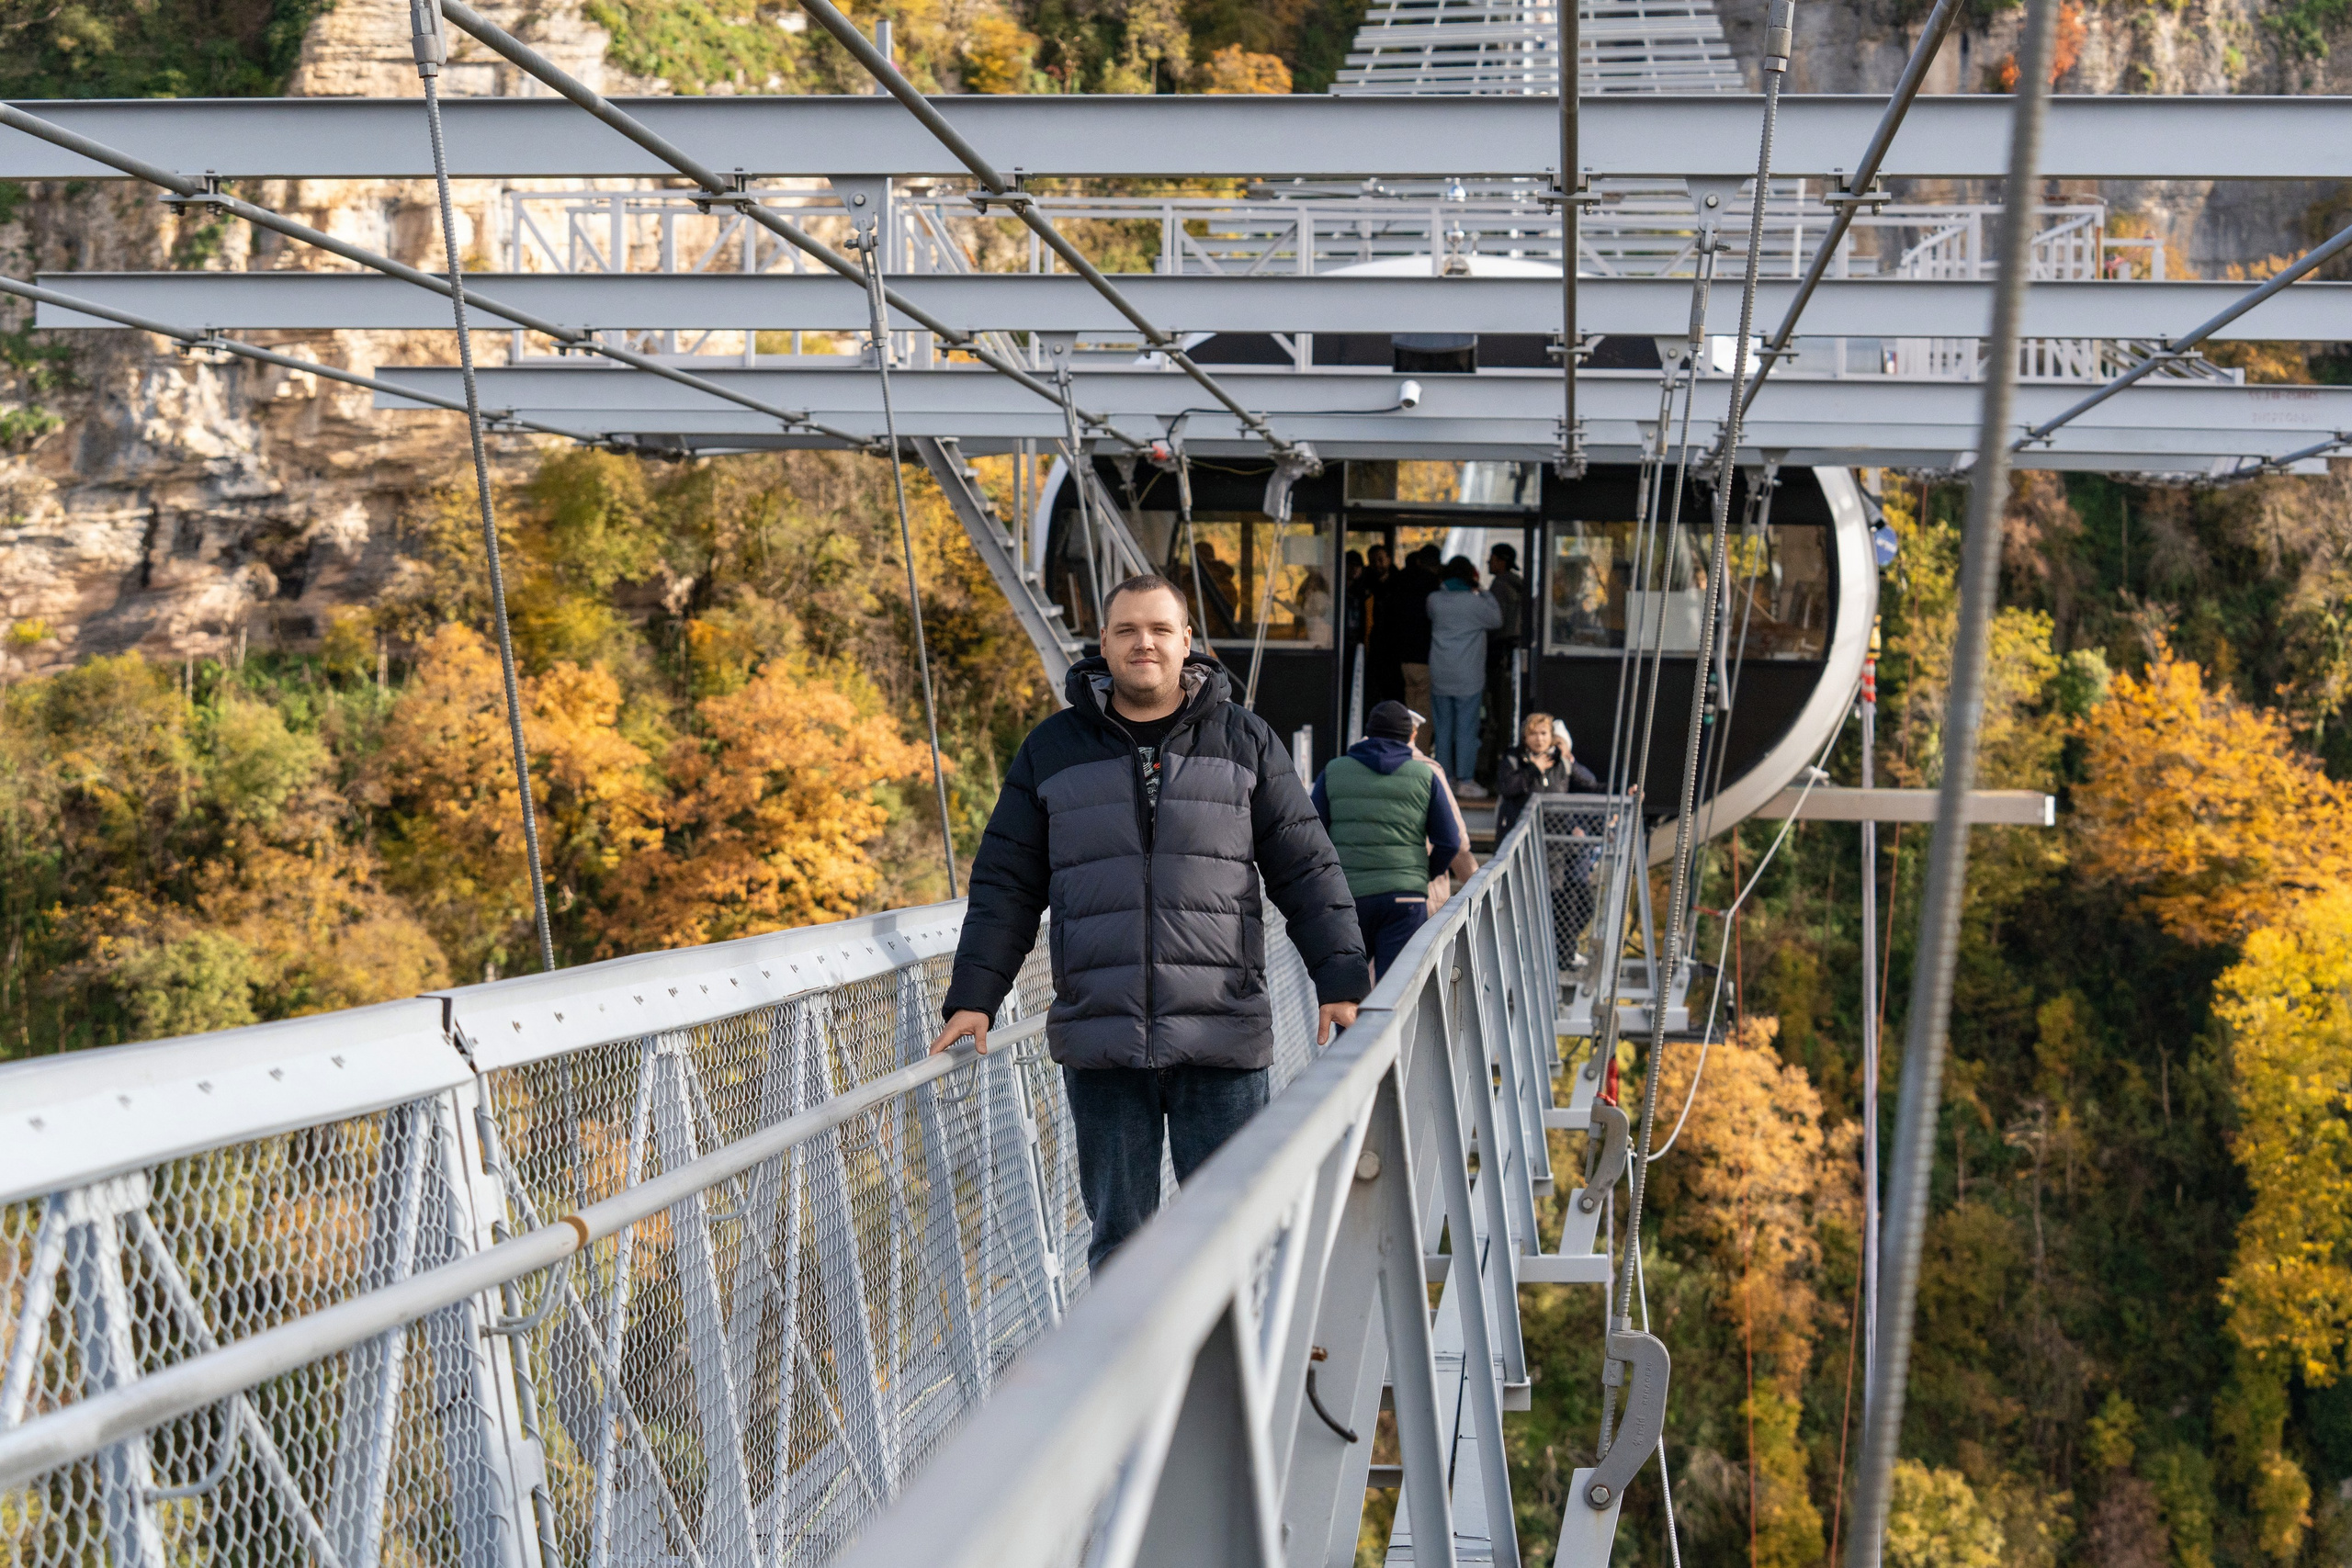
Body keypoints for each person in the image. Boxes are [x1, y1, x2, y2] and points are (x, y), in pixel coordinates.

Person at [931, 573, 1371, 1269]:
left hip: (1219, 1033)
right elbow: (1007, 885)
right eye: (1129, 629)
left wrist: (1341, 977)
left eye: (1161, 630)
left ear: (1187, 643)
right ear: (1102, 643)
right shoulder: (1052, 749)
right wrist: (973, 999)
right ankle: (1140, 1383)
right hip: (1103, 1037)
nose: (1145, 643)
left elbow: (1307, 868)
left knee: (1234, 1236)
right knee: (1119, 1248)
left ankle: (1230, 1377)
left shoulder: (1245, 740)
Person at [1313, 700, 1478, 976]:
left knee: (1348, 986)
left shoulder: (1334, 771)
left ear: (1369, 731)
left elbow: (1313, 835)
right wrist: (1422, 874)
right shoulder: (1425, 774)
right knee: (1397, 988)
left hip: (1349, 896)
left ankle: (1349, 1023)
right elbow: (1450, 840)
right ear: (1410, 736)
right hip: (1406, 898)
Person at [1425, 556, 1503, 796]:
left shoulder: (1434, 600)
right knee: (1466, 730)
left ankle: (1445, 778)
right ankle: (1466, 780)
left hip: (1440, 673)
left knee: (1443, 728)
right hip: (1468, 676)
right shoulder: (1476, 603)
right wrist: (1483, 590)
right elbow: (1497, 619)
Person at [1496, 711, 1600, 834]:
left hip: (1555, 835)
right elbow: (1506, 787)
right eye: (1533, 734)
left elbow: (1590, 784)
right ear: (1525, 737)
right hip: (1520, 833)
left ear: (1551, 736)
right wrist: (1533, 769)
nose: (1539, 738)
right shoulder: (1513, 759)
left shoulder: (1561, 763)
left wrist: (1569, 760)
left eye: (1543, 733)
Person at [1477, 542, 1527, 789]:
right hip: (1513, 656)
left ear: (1501, 561)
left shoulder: (1499, 586)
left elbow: (1493, 622)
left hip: (1500, 656)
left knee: (1498, 716)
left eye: (1492, 558)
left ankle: (1494, 767)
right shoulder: (1520, 585)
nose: (1488, 563)